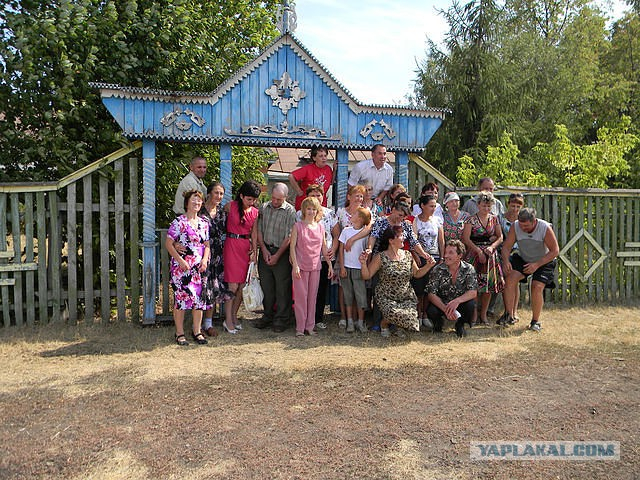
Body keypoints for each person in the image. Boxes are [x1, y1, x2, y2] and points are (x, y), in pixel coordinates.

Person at [359, 226, 435, 337]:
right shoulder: (380, 257)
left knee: (411, 319)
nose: (404, 238)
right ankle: (384, 324)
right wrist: (363, 263)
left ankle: (399, 327)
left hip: (405, 296)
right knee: (394, 313)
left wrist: (429, 266)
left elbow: (417, 273)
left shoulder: (408, 255)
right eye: (400, 236)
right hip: (386, 296)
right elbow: (367, 276)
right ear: (391, 240)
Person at [500, 207, 559, 331]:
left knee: (536, 287)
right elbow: (506, 247)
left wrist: (536, 265)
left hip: (543, 260)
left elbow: (555, 251)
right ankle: (509, 315)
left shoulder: (545, 227)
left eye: (526, 226)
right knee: (509, 279)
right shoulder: (515, 226)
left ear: (534, 221)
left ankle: (535, 321)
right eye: (521, 225)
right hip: (524, 258)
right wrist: (505, 261)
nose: (523, 229)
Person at [165, 190, 211, 346]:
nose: (196, 203)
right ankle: (179, 333)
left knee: (198, 300)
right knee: (181, 300)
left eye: (199, 201)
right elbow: (168, 244)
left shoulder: (204, 223)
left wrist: (205, 261)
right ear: (187, 202)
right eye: (193, 200)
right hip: (182, 268)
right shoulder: (179, 222)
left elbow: (207, 245)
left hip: (199, 268)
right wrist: (180, 261)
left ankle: (197, 331)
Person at [254, 183, 298, 333]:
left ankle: (282, 319)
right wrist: (264, 250)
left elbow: (289, 236)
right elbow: (259, 229)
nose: (275, 201)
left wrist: (277, 255)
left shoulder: (290, 211)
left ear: (285, 198)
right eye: (273, 198)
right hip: (265, 249)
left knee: (282, 288)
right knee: (267, 287)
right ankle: (267, 316)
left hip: (282, 252)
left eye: (279, 199)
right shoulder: (264, 208)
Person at [295, 184, 338, 329]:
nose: (316, 198)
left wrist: (333, 252)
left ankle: (315, 321)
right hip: (302, 260)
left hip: (321, 260)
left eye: (318, 195)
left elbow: (334, 236)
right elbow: (293, 241)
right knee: (302, 294)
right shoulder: (298, 218)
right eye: (312, 195)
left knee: (318, 293)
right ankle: (301, 324)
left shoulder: (329, 214)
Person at [222, 180, 260, 334]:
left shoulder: (255, 212)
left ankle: (233, 315)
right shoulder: (229, 206)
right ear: (241, 196)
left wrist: (254, 251)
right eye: (249, 199)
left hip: (246, 247)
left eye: (254, 200)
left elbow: (255, 232)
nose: (251, 202)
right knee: (232, 285)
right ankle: (228, 320)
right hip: (231, 244)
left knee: (242, 286)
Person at [462, 191, 504, 325]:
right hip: (474, 254)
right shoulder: (471, 219)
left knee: (487, 287)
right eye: (483, 206)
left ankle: (484, 314)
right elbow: (466, 238)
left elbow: (500, 236)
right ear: (478, 205)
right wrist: (478, 251)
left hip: (490, 255)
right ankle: (474, 315)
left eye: (488, 206)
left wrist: (492, 247)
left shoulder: (494, 219)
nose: (486, 208)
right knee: (473, 285)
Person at [199, 182, 232, 337]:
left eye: (221, 194)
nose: (218, 196)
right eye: (216, 193)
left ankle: (208, 323)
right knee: (201, 288)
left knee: (213, 289)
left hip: (218, 255)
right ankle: (196, 325)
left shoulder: (222, 212)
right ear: (209, 193)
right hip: (201, 255)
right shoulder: (199, 211)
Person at [426, 240, 478, 337]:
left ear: (460, 255)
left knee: (470, 305)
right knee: (431, 310)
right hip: (442, 304)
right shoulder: (437, 269)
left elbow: (473, 292)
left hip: (459, 304)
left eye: (450, 253)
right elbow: (431, 294)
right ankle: (438, 324)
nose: (445, 256)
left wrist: (457, 301)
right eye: (445, 252)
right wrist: (446, 309)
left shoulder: (469, 268)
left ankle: (460, 325)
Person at [412, 194, 444, 329]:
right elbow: (413, 240)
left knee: (430, 289)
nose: (433, 208)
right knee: (419, 288)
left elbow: (441, 241)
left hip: (434, 257)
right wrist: (416, 256)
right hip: (421, 258)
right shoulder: (416, 221)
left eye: (434, 206)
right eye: (430, 206)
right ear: (422, 206)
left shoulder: (437, 220)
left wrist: (442, 257)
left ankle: (425, 314)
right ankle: (418, 315)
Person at [338, 207, 372, 333]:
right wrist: (341, 266)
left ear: (360, 218)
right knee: (348, 295)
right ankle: (350, 321)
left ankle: (361, 322)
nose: (352, 215)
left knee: (360, 296)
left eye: (355, 213)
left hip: (359, 268)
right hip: (346, 267)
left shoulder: (365, 233)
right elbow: (341, 250)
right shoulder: (346, 231)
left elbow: (366, 249)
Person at [499, 193, 525, 323]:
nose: (515, 209)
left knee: (514, 281)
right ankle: (508, 311)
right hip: (504, 252)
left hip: (520, 253)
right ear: (508, 204)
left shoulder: (523, 220)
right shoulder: (501, 219)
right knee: (507, 280)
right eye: (513, 205)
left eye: (518, 207)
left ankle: (514, 311)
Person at [288, 146, 333, 211]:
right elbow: (291, 176)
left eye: (325, 156)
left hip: (321, 205)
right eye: (321, 156)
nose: (324, 158)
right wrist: (299, 191)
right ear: (314, 158)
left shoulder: (328, 169)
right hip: (305, 206)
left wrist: (334, 170)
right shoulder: (308, 169)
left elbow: (331, 182)